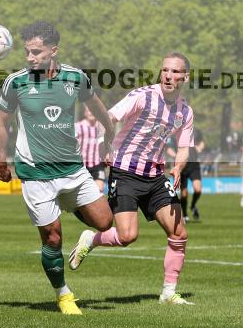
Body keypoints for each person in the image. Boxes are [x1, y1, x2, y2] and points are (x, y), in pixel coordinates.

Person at [0, 20, 115, 315]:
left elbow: (97, 106)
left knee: (105, 222)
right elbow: (1, 123)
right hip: (35, 173)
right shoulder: (16, 82)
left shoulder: (76, 78)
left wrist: (109, 132)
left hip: (72, 169)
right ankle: (63, 295)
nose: (30, 57)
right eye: (27, 52)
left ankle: (74, 212)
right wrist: (0, 158)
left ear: (53, 50)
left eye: (36, 52)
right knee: (53, 238)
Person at [69, 52, 195, 306]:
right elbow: (109, 117)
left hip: (156, 176)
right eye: (165, 70)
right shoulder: (143, 96)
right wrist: (105, 142)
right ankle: (91, 239)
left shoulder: (185, 111)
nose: (168, 76)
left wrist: (179, 168)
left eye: (175, 72)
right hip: (124, 172)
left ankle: (169, 292)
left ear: (185, 77)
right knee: (127, 237)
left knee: (179, 233)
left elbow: (183, 147)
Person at [167, 129, 205, 222]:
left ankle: (192, 206)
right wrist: (177, 156)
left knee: (198, 190)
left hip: (194, 164)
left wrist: (199, 148)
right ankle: (184, 215)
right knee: (184, 194)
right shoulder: (173, 131)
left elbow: (202, 142)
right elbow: (167, 148)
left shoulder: (195, 130)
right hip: (182, 165)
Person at [75, 106, 106, 193]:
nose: (91, 112)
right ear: (85, 113)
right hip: (82, 165)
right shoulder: (79, 126)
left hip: (97, 164)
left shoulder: (101, 127)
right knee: (81, 192)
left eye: (93, 110)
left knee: (99, 190)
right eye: (89, 111)